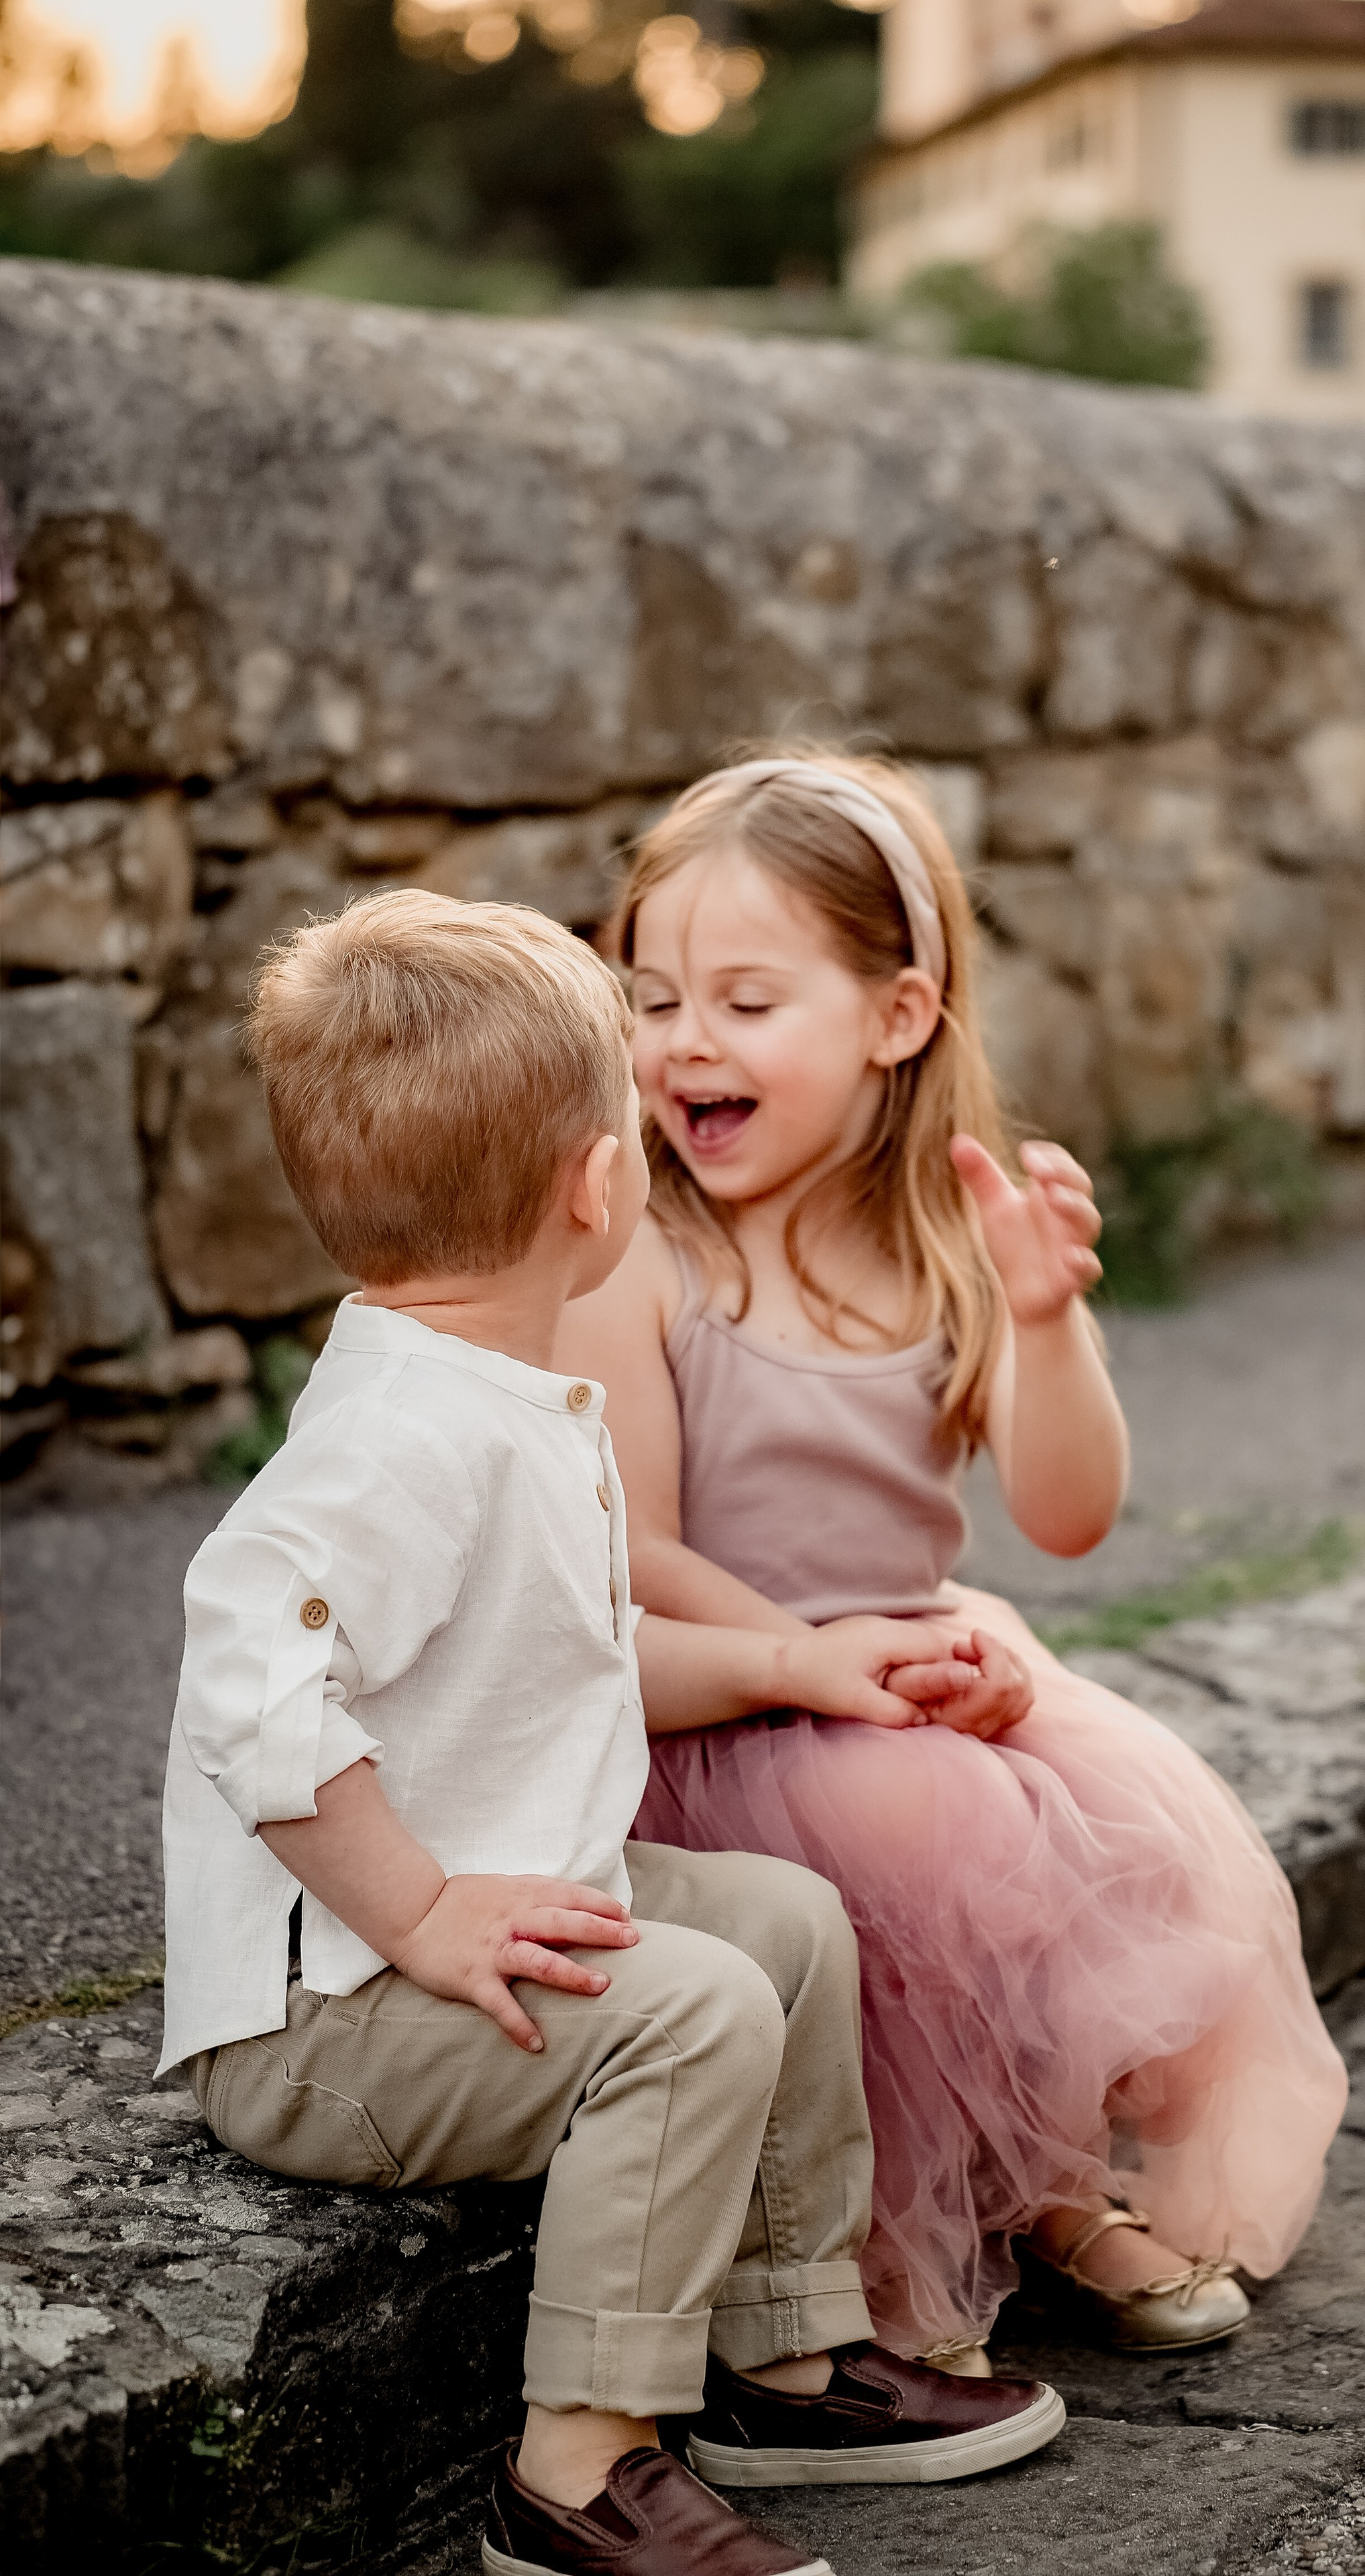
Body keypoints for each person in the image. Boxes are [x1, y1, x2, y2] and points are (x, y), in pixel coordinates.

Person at [158, 888, 1067, 2576]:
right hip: (319, 2019)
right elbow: (246, 1678)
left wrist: (796, 1663)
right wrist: (420, 1909)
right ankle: (575, 2460)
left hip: (442, 1929)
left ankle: (784, 2353)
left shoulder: (497, 1395)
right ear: (599, 1190)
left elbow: (572, 1650)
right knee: (691, 2007)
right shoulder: (398, 1440)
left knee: (781, 1923)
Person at [565, 754, 1350, 2375]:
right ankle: (889, 2245)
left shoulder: (944, 1232)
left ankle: (1048, 2186)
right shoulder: (641, 1252)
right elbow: (626, 1557)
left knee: (1116, 1834)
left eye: (745, 1000)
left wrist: (1045, 1320)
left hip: (912, 1665)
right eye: (651, 1001)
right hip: (715, 1696)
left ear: (897, 1015)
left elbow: (1065, 1513)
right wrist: (828, 1664)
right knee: (921, 1824)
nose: (682, 1042)